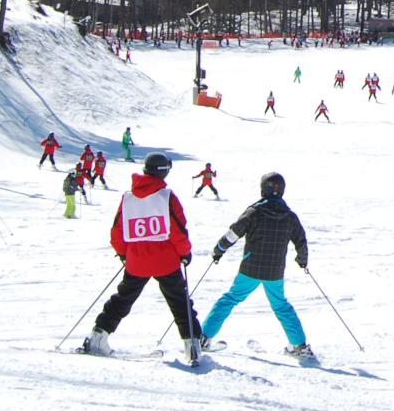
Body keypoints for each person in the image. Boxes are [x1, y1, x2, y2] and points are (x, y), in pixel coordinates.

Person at [84, 153, 200, 362]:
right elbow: (178, 230)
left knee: (123, 298)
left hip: (137, 261)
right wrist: (184, 253)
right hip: (165, 261)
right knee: (179, 301)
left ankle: (98, 336)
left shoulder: (128, 198)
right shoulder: (166, 197)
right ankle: (193, 344)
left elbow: (117, 231)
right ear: (164, 170)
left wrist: (123, 254)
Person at [200, 172, 314, 362]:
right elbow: (301, 241)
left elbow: (233, 233)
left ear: (263, 189)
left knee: (229, 299)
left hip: (251, 268)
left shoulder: (254, 212)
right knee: (281, 306)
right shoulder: (289, 216)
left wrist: (219, 250)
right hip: (274, 272)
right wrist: (302, 260)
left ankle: (203, 337)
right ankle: (299, 346)